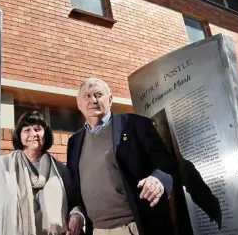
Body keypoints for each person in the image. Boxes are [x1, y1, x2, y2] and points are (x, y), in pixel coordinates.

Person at [66, 78, 178, 235]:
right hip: (97, 230)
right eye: (87, 96)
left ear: (110, 99)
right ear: (79, 104)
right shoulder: (74, 142)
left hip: (135, 227)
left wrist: (158, 179)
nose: (93, 100)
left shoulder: (135, 125)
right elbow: (76, 187)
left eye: (99, 94)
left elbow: (167, 162)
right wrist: (77, 211)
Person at [0, 111, 83, 235]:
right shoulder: (2, 166)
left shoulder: (60, 170)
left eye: (38, 129)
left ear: (45, 134)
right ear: (19, 136)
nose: (33, 134)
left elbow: (75, 203)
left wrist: (76, 214)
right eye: (27, 130)